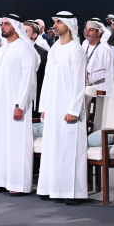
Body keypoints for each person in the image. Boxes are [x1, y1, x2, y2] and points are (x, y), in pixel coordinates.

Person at [0, 14, 38, 194]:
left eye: (6, 24)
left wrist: (20, 105)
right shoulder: (0, 51)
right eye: (2, 24)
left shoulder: (25, 50)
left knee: (16, 144)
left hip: (16, 106)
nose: (3, 26)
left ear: (15, 27)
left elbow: (28, 80)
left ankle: (18, 184)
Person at [36, 11, 88, 205]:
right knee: (52, 148)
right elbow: (47, 80)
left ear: (69, 25)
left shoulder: (77, 50)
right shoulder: (55, 48)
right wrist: (44, 106)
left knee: (69, 150)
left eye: (59, 22)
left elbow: (79, 84)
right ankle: (51, 188)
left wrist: (73, 110)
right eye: (55, 22)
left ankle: (72, 192)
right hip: (53, 107)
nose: (55, 25)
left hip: (69, 109)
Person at [82, 18, 114, 92]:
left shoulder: (106, 50)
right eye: (86, 30)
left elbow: (111, 73)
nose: (87, 32)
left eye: (91, 30)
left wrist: (108, 93)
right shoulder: (84, 46)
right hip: (84, 88)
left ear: (98, 33)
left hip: (100, 88)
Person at [24, 21, 48, 116]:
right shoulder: (17, 51)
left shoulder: (42, 53)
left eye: (26, 31)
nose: (23, 34)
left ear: (34, 35)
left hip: (35, 99)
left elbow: (44, 79)